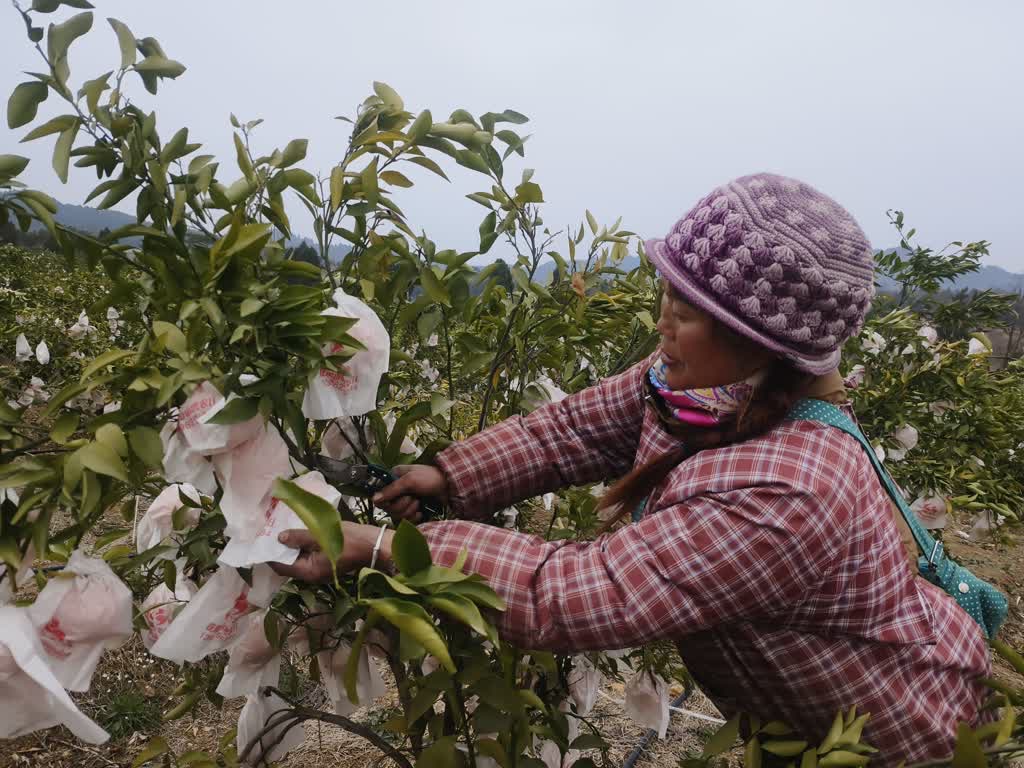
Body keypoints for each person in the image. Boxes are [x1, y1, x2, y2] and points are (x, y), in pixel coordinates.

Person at [273, 173, 991, 766]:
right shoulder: (696, 389)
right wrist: (453, 475)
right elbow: (572, 430)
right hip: (794, 709)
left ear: (759, 341)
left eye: (686, 309)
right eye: (668, 293)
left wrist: (383, 547)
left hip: (897, 735)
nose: (662, 322)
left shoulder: (792, 487)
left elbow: (576, 594)